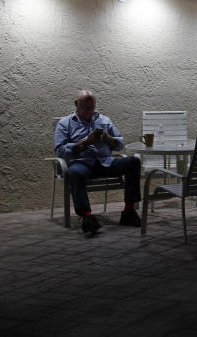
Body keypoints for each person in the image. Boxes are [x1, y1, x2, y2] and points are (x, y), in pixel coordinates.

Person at [54, 90, 141, 234]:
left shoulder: (104, 120)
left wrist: (107, 138)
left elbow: (120, 144)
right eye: (86, 108)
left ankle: (128, 212)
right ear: (76, 104)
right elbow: (60, 150)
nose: (89, 111)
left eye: (92, 107)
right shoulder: (65, 124)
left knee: (133, 162)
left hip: (105, 162)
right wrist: (85, 143)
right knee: (74, 172)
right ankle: (87, 217)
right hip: (82, 164)